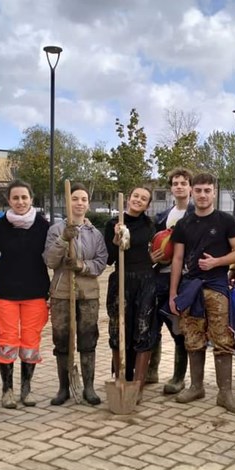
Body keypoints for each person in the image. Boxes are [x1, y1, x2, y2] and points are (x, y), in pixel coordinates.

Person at [169, 172, 235, 414]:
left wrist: (217, 262)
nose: (202, 195)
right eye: (199, 190)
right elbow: (178, 258)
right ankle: (196, 386)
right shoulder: (184, 224)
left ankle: (225, 394)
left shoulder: (226, 221)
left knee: (222, 338)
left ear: (214, 192)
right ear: (192, 191)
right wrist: (174, 293)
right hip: (190, 289)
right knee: (193, 337)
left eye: (207, 190)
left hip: (217, 288)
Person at [0, 180, 50, 409]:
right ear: (8, 201)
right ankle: (7, 390)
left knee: (31, 343)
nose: (20, 202)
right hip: (5, 293)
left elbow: (54, 255)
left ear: (31, 198)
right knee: (7, 342)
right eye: (15, 198)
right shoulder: (0, 227)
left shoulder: (44, 226)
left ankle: (26, 389)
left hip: (36, 293)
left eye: (24, 197)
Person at [44, 183, 108, 406]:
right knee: (62, 339)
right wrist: (63, 239)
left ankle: (89, 387)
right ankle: (63, 387)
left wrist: (81, 265)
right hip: (62, 292)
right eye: (75, 198)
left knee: (88, 338)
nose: (79, 203)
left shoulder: (95, 234)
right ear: (68, 202)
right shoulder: (55, 230)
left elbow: (101, 263)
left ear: (88, 204)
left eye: (83, 199)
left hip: (88, 293)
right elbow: (50, 260)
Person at [105, 187, 157, 402]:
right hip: (122, 280)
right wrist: (116, 241)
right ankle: (120, 379)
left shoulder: (149, 225)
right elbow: (108, 258)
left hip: (146, 280)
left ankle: (138, 384)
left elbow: (153, 252)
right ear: (128, 198)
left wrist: (154, 257)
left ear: (147, 205)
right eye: (136, 196)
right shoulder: (113, 224)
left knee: (143, 330)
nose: (138, 200)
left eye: (143, 199)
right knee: (119, 329)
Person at [147, 169, 194, 394]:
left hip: (185, 279)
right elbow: (154, 245)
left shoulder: (197, 214)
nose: (179, 187)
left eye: (183, 183)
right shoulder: (162, 217)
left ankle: (178, 376)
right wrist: (152, 258)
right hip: (161, 276)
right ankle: (151, 370)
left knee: (178, 329)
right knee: (153, 324)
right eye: (175, 183)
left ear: (190, 187)